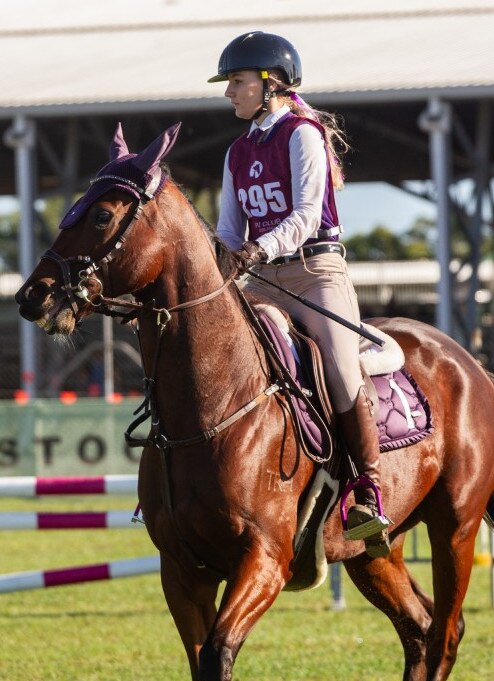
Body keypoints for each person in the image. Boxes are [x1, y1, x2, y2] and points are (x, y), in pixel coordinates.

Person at [208, 30, 390, 559]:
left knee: (337, 369)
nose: (229, 94)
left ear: (272, 83)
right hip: (261, 280)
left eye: (236, 82)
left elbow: (307, 214)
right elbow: (226, 228)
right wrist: (223, 263)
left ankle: (368, 491)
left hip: (315, 272)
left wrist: (256, 250)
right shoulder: (237, 151)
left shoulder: (302, 134)